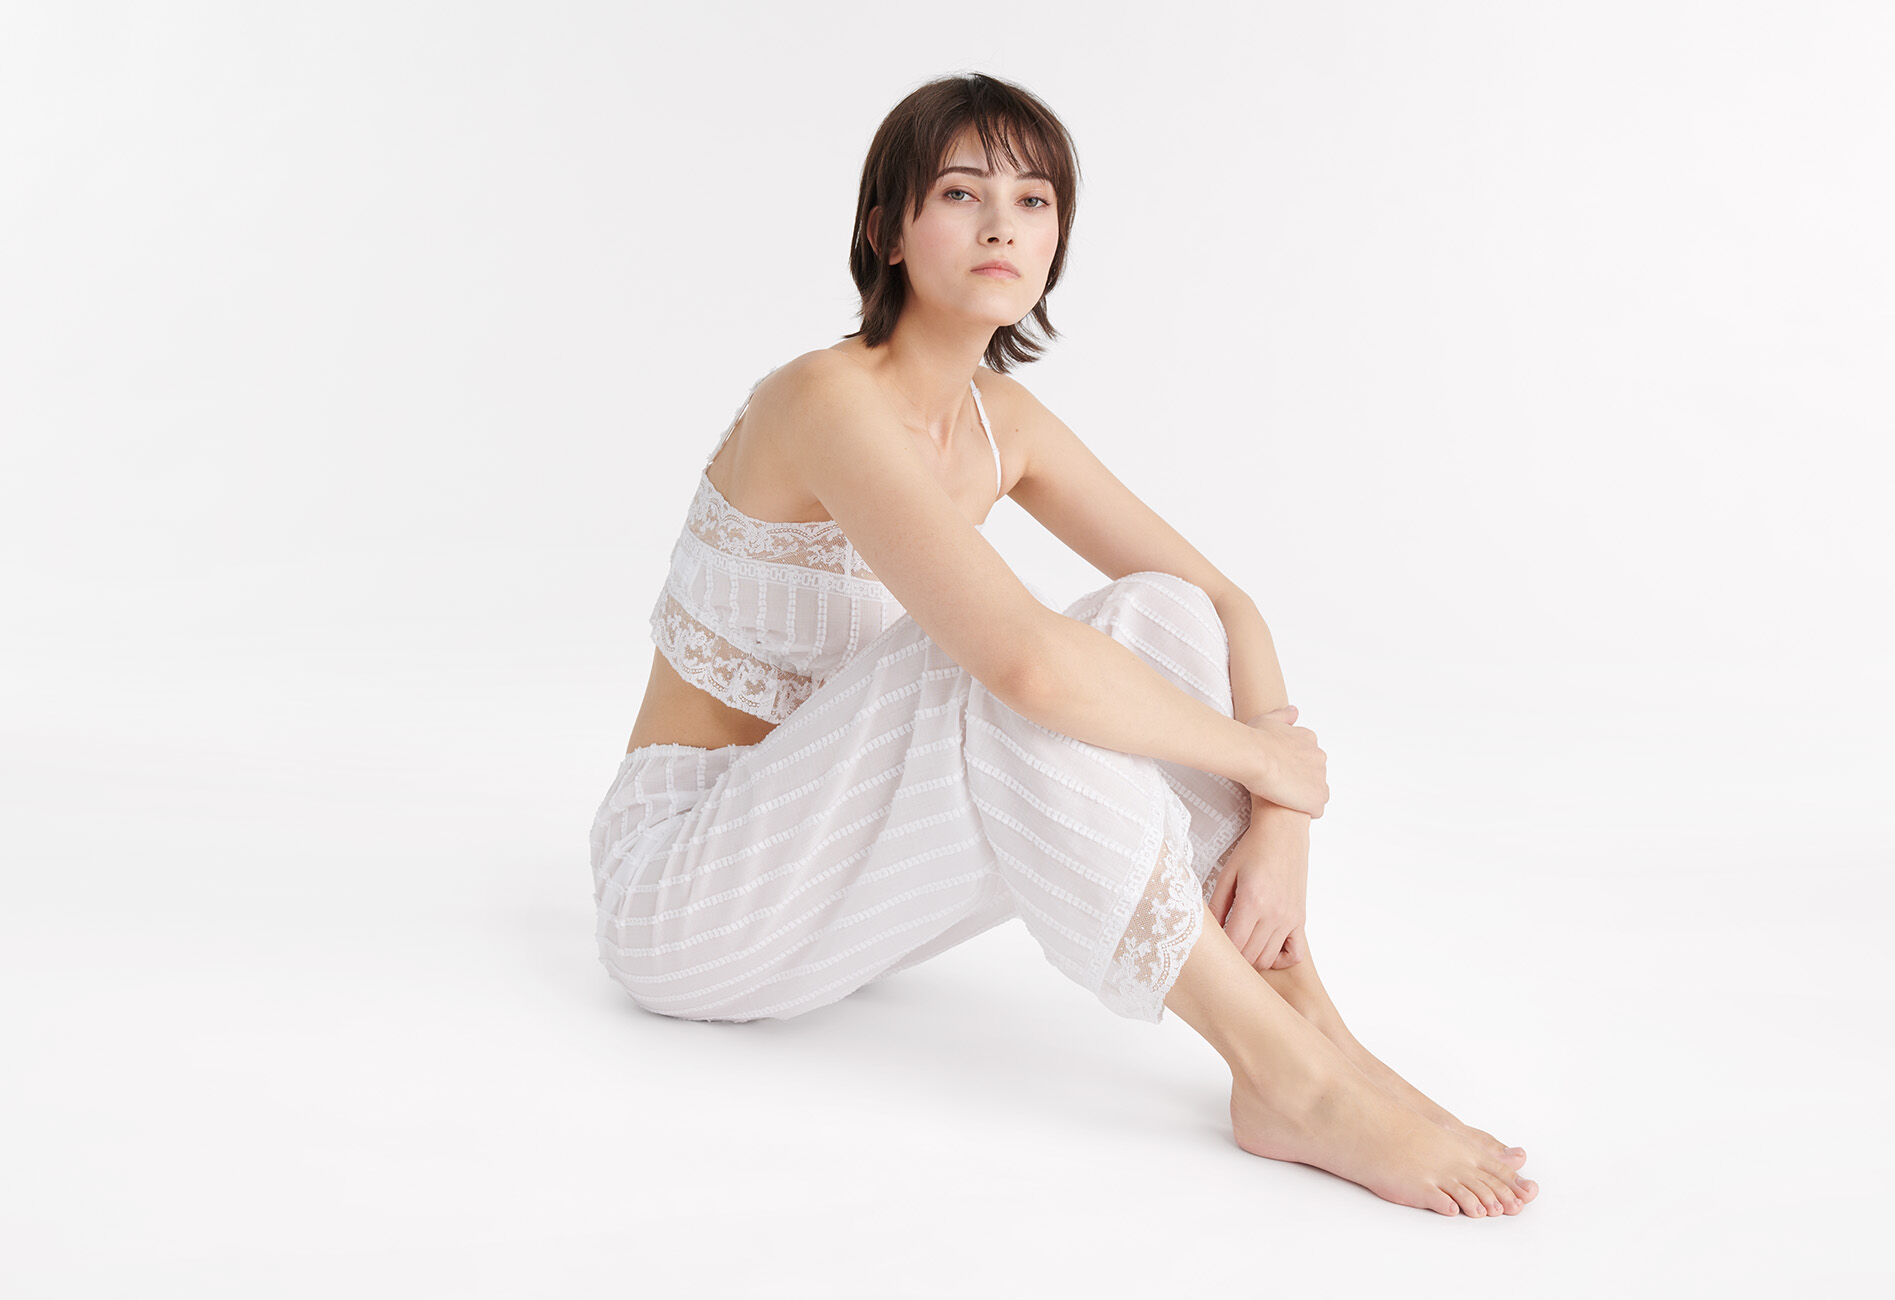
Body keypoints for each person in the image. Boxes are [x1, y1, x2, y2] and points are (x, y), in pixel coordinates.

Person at [588, 72, 1538, 1218]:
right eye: (961, 192)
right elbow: (1024, 666)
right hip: (687, 893)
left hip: (833, 897)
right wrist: (1261, 760)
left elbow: (1224, 604)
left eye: (1033, 200)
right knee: (993, 666)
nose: (1003, 223)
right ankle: (1290, 1076)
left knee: (1160, 612)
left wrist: (1282, 816)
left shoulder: (1006, 424)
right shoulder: (820, 399)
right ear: (887, 231)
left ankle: (1313, 1027)